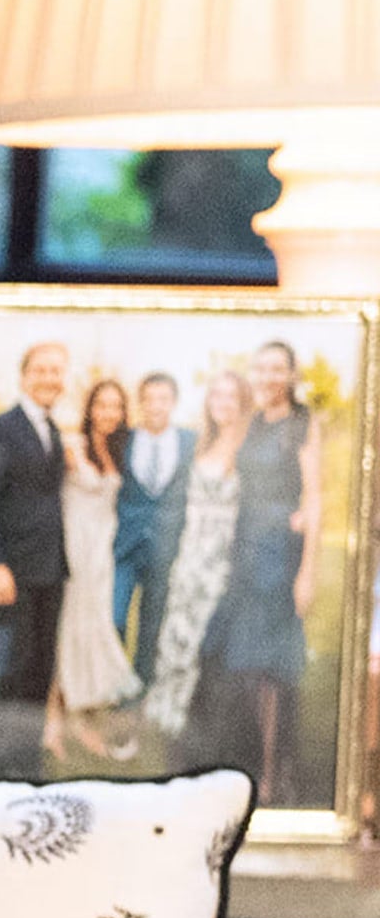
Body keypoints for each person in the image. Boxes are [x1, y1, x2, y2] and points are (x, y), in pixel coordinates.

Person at [193, 340, 322, 802]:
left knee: (271, 672)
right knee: (240, 666)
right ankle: (244, 766)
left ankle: (271, 777)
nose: (268, 377)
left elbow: (314, 496)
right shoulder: (251, 424)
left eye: (277, 369)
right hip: (242, 549)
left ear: (291, 375)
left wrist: (308, 571)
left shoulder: (302, 424)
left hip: (278, 556)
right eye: (261, 369)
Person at [0, 340, 72, 775]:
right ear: (25, 376)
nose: (49, 378)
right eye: (41, 370)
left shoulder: (54, 432)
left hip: (51, 571)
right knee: (12, 669)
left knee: (39, 671)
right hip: (12, 571)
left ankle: (26, 765)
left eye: (56, 371)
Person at [142, 370, 248, 747]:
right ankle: (171, 712)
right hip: (190, 556)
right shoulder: (204, 443)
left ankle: (205, 721)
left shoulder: (248, 448)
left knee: (208, 640)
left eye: (230, 396)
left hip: (222, 560)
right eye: (216, 395)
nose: (222, 403)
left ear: (243, 401)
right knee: (177, 634)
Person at [48, 377, 140, 760]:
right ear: (90, 408)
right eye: (102, 405)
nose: (109, 413)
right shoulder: (73, 446)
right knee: (69, 631)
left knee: (93, 630)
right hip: (76, 550)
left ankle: (80, 720)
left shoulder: (120, 450)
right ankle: (55, 723)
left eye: (116, 406)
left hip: (103, 553)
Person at [110, 371, 193, 684]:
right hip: (124, 547)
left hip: (166, 546)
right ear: (140, 403)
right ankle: (116, 679)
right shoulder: (123, 439)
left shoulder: (190, 441)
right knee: (115, 615)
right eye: (149, 399)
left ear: (174, 402)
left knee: (153, 621)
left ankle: (142, 682)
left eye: (163, 399)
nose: (156, 406)